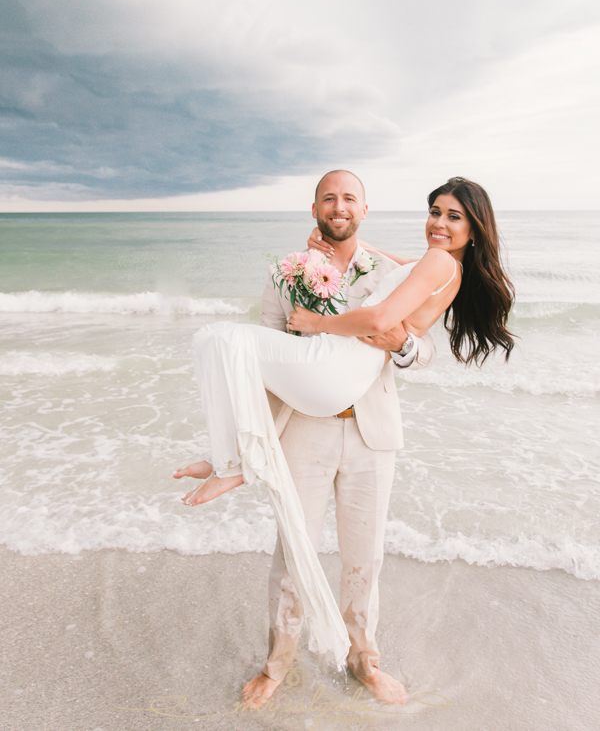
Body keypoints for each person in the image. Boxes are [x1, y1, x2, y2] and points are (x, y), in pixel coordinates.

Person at [174, 173, 514, 707]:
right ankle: (277, 664)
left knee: (365, 560)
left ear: (364, 207)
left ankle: (365, 660)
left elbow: (420, 349)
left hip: (369, 429)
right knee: (292, 556)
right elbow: (269, 354)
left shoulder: (404, 268)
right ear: (315, 207)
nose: (338, 207)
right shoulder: (289, 273)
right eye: (329, 199)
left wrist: (399, 341)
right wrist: (307, 308)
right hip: (306, 426)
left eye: (348, 198)